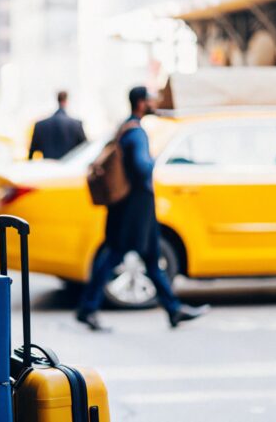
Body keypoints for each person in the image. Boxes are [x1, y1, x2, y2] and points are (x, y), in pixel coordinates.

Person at [76, 86, 210, 331]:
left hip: (129, 206)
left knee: (150, 258)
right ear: (140, 103)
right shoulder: (137, 133)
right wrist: (154, 159)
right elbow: (142, 167)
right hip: (135, 208)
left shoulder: (125, 127)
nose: (154, 103)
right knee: (116, 255)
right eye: (150, 99)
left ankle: (173, 309)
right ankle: (88, 307)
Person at [28, 91, 87, 160]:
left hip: (48, 165)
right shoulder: (76, 125)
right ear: (66, 101)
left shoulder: (40, 125)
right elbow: (85, 149)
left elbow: (31, 153)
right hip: (70, 165)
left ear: (57, 100)